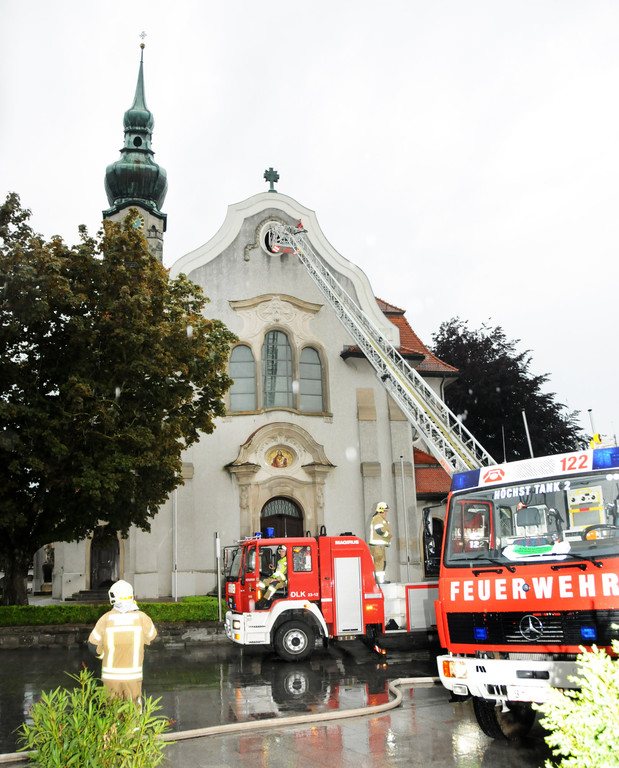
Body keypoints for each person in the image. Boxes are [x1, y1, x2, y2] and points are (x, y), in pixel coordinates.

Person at [87, 579, 157, 707]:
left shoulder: (105, 619)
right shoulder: (141, 618)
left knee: (112, 711)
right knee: (133, 712)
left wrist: (104, 655)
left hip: (111, 678)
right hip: (133, 677)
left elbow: (92, 645)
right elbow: (152, 637)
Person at [369, 501, 392, 583]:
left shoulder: (380, 519)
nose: (386, 513)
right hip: (377, 545)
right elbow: (379, 530)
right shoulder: (378, 518)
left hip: (379, 545)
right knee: (379, 562)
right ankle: (379, 581)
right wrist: (388, 535)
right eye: (385, 510)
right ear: (381, 510)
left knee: (382, 562)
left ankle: (381, 580)